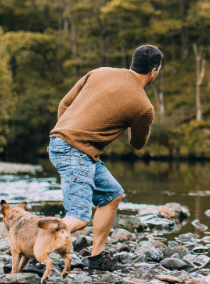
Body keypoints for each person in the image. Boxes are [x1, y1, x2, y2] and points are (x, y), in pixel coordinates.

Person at [48, 45, 161, 271]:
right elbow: (137, 144)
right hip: (76, 150)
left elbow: (64, 104)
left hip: (66, 143)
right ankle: (35, 249)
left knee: (112, 195)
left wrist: (67, 131)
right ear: (154, 71)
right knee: (79, 216)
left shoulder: (99, 72)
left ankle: (97, 258)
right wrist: (135, 122)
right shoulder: (143, 106)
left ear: (133, 62)